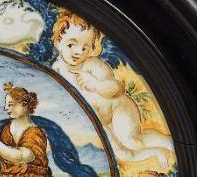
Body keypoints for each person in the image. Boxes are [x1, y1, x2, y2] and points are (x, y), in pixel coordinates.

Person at [51, 10, 173, 167]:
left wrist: (96, 85)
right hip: (100, 121)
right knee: (122, 154)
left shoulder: (92, 65)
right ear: (58, 42)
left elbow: (117, 88)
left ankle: (166, 143)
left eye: (85, 48)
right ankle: (156, 152)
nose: (78, 52)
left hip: (119, 110)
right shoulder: (57, 69)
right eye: (71, 44)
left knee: (132, 142)